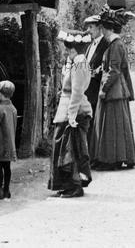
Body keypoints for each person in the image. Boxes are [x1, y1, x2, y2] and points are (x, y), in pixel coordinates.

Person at [90, 7, 135, 170]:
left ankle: (112, 160)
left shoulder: (116, 45)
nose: (101, 30)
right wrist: (97, 71)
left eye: (102, 27)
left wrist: (104, 89)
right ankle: (109, 158)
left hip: (114, 91)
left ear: (105, 28)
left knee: (111, 125)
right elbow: (108, 67)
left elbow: (115, 70)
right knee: (111, 125)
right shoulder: (113, 45)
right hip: (113, 90)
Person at [48, 30, 92, 198]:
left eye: (68, 50)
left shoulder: (80, 62)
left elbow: (77, 91)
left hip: (73, 110)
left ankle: (74, 185)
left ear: (75, 50)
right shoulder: (74, 62)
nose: (66, 52)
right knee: (63, 146)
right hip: (66, 108)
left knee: (70, 149)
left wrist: (72, 115)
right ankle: (66, 184)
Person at [84, 14, 110, 139]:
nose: (88, 30)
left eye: (91, 27)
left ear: (100, 28)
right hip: (87, 91)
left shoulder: (106, 45)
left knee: (96, 125)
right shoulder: (90, 46)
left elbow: (106, 68)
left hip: (97, 91)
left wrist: (93, 73)